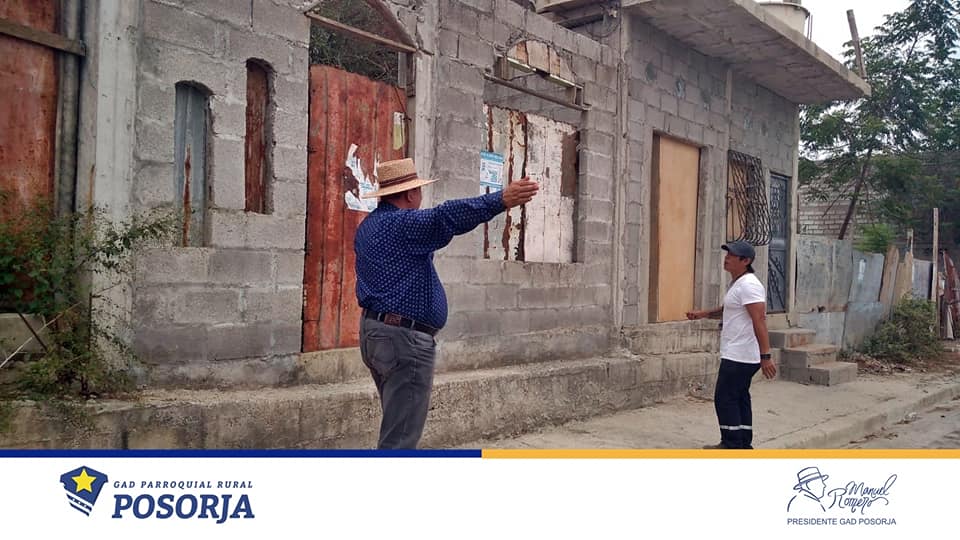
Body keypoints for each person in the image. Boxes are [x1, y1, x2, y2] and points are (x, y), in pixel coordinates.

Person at [354, 157, 539, 449]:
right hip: (403, 340)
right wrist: (500, 200)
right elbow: (447, 216)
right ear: (410, 194)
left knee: (396, 422)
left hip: (375, 333)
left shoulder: (369, 226)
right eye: (418, 190)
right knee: (400, 439)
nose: (420, 196)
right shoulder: (403, 224)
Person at [686, 240, 776, 449]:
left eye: (732, 256)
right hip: (739, 353)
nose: (727, 259)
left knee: (725, 398)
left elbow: (759, 319)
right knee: (739, 396)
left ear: (746, 261)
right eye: (727, 254)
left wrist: (766, 356)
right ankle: (743, 443)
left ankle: (731, 444)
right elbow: (730, 309)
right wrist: (704, 314)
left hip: (740, 355)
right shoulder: (740, 283)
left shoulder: (749, 285)